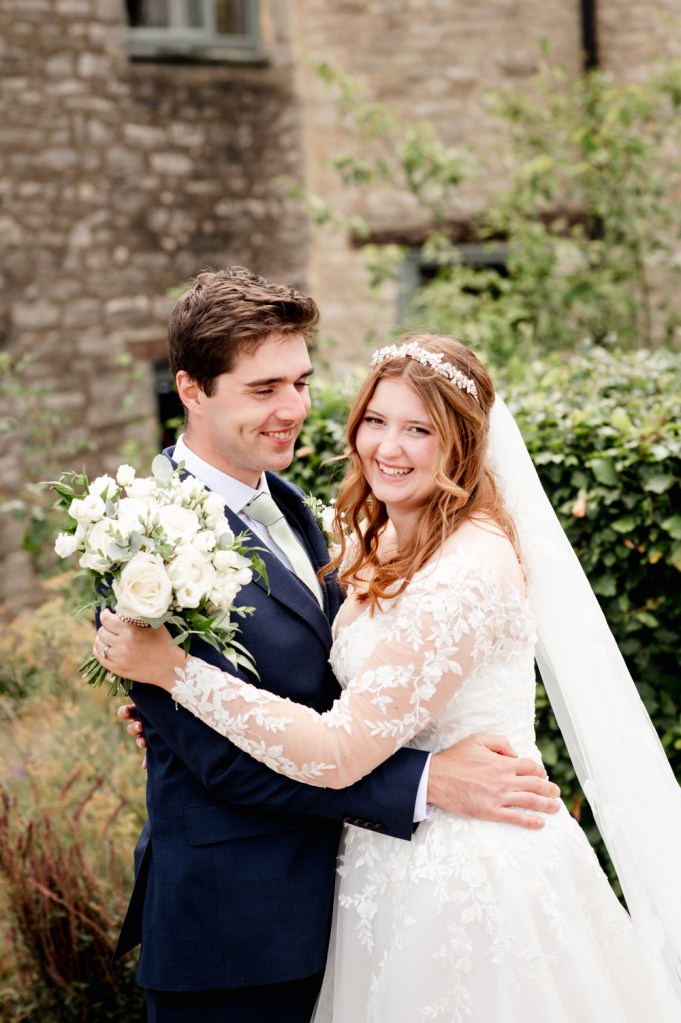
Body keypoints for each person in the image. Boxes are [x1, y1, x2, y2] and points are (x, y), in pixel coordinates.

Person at [98, 332, 681, 1021]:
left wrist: (176, 674)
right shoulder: (363, 535)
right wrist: (167, 715)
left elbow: (338, 746)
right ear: (192, 390)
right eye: (375, 420)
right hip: (364, 874)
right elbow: (314, 676)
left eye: (418, 429)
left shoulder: (467, 570)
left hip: (472, 872)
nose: (387, 447)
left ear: (462, 442)